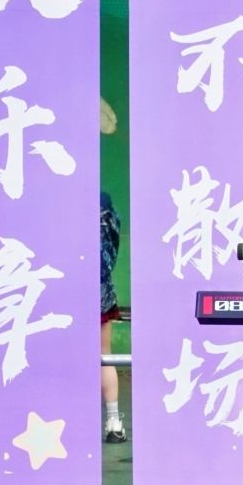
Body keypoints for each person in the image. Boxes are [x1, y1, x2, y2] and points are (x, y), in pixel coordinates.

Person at [100, 190, 126, 444]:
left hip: (64, 292)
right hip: (100, 291)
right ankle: (113, 422)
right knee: (104, 356)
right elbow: (113, 247)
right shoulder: (105, 204)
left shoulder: (62, 202)